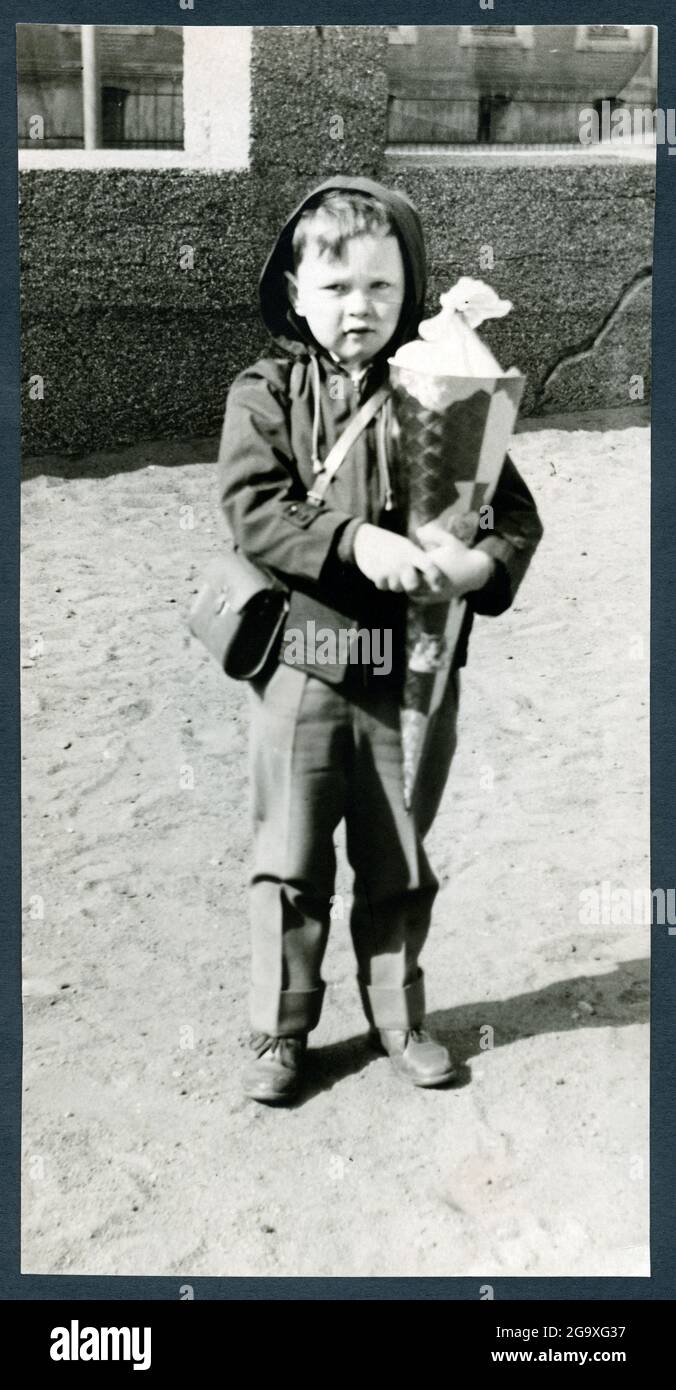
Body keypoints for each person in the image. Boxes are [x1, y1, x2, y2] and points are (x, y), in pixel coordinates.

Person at [217, 175, 543, 1104]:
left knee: (398, 857)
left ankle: (398, 1016)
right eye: (334, 288)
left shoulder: (442, 382)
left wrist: (479, 567)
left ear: (409, 293)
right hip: (307, 669)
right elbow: (254, 510)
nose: (357, 309)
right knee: (290, 855)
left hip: (418, 672)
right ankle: (282, 1027)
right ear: (293, 292)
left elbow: (509, 511)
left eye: (380, 290)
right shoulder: (268, 390)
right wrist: (356, 540)